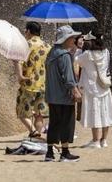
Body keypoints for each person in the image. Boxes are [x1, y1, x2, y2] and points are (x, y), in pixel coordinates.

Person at [44, 25, 82, 162]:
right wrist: (75, 91)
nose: (73, 39)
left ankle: (49, 153)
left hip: (52, 96)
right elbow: (68, 78)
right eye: (71, 37)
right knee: (66, 123)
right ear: (65, 39)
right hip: (64, 97)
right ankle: (65, 153)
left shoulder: (51, 54)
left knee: (54, 123)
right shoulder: (65, 55)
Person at [76, 31, 112, 148]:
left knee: (95, 114)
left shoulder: (87, 54)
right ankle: (103, 140)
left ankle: (95, 141)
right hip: (104, 86)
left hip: (92, 88)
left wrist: (79, 48)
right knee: (105, 113)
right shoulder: (106, 52)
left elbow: (77, 60)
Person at [14, 21, 50, 140]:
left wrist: (20, 76)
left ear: (29, 31)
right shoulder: (47, 46)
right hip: (44, 84)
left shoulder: (26, 44)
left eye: (25, 30)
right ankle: (36, 140)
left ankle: (33, 131)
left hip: (29, 83)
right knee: (39, 113)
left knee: (21, 111)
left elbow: (19, 61)